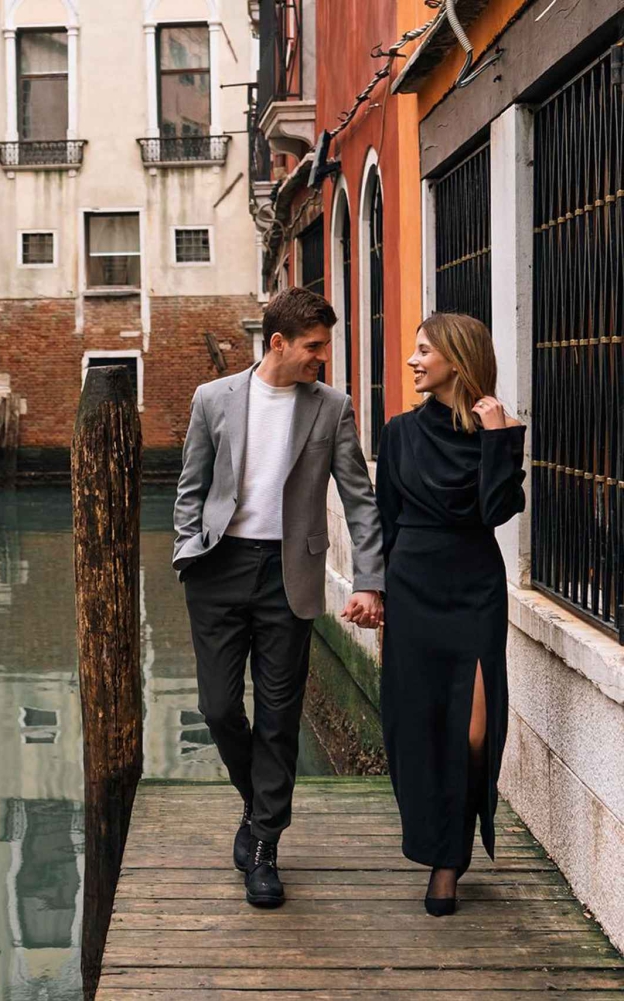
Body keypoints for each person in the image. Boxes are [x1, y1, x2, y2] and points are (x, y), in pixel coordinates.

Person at [174, 286, 384, 908]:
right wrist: (187, 548)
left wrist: (370, 578)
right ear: (278, 344)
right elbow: (192, 483)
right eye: (314, 347)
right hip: (217, 568)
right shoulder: (213, 399)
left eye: (326, 346)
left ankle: (265, 844)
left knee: (278, 717)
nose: (323, 358)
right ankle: (256, 801)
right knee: (217, 709)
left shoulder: (331, 407)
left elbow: (360, 499)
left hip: (288, 575)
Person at [376, 312, 525, 916]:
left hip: (474, 590)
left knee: (473, 732)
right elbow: (385, 520)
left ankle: (453, 851)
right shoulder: (398, 433)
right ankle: (442, 859)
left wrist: (497, 438)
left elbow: (493, 511)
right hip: (413, 588)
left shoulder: (498, 430)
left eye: (422, 351)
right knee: (420, 725)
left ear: (457, 362)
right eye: (413, 351)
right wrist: (377, 591)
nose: (412, 361)